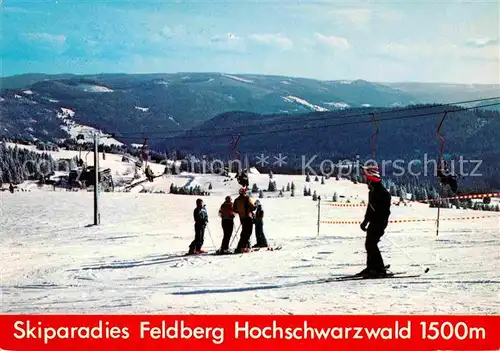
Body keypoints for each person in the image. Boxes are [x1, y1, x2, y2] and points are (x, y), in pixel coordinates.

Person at [358, 166, 391, 278]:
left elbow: (385, 212)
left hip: (379, 222)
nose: (366, 180)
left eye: (367, 178)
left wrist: (379, 222)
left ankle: (379, 268)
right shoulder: (372, 191)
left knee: (371, 244)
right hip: (374, 222)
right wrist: (365, 221)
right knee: (369, 244)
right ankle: (372, 267)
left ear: (372, 178)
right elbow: (370, 208)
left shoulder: (382, 192)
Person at [233, 187, 256, 253]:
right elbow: (253, 207)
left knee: (244, 232)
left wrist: (240, 212)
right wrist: (255, 206)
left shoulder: (236, 200)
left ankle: (246, 246)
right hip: (248, 217)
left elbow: (234, 209)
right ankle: (242, 247)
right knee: (248, 233)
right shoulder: (247, 198)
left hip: (242, 218)